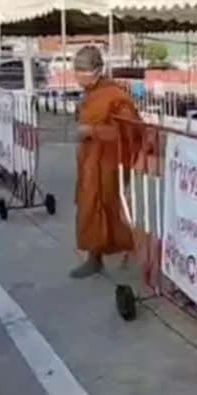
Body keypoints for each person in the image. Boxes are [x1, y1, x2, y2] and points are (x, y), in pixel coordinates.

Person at [70, 46, 143, 278]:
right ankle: (95, 256)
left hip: (109, 162)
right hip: (91, 161)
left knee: (108, 209)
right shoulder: (91, 94)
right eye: (77, 70)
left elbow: (130, 131)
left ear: (98, 70)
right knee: (90, 209)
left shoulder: (116, 96)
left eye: (84, 70)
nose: (79, 75)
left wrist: (94, 131)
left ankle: (126, 251)